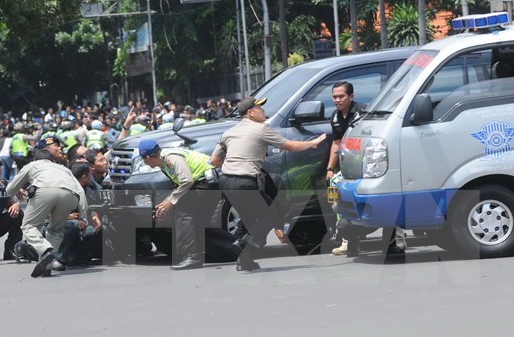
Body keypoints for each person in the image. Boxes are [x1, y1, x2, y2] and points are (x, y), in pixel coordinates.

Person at [210, 96, 326, 271]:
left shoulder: (229, 132)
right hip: (245, 182)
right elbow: (290, 146)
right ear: (250, 113)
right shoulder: (261, 128)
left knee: (248, 220)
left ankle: (244, 260)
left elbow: (214, 160)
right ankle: (242, 244)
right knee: (270, 217)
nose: (264, 111)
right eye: (259, 108)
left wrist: (233, 166)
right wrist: (312, 143)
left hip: (226, 182)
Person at [6, 148, 89, 278]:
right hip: (70, 195)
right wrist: (83, 215)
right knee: (56, 230)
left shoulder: (32, 165)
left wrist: (16, 191)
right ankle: (47, 266)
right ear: (51, 160)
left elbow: (10, 189)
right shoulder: (63, 168)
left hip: (45, 192)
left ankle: (45, 250)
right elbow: (80, 191)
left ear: (35, 159)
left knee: (29, 226)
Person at [139, 139, 217, 270]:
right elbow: (179, 186)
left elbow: (186, 180)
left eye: (143, 160)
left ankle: (192, 257)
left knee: (184, 214)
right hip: (201, 184)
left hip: (206, 183)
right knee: (197, 222)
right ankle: (233, 248)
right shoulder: (164, 162)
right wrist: (165, 204)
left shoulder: (171, 158)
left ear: (147, 158)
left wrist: (170, 202)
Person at [325, 81, 366, 255]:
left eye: (341, 96)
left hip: (365, 166)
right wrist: (329, 169)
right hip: (347, 167)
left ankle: (397, 238)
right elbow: (336, 144)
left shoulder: (362, 112)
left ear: (351, 96)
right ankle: (346, 240)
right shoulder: (335, 116)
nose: (337, 100)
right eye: (334, 97)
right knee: (334, 194)